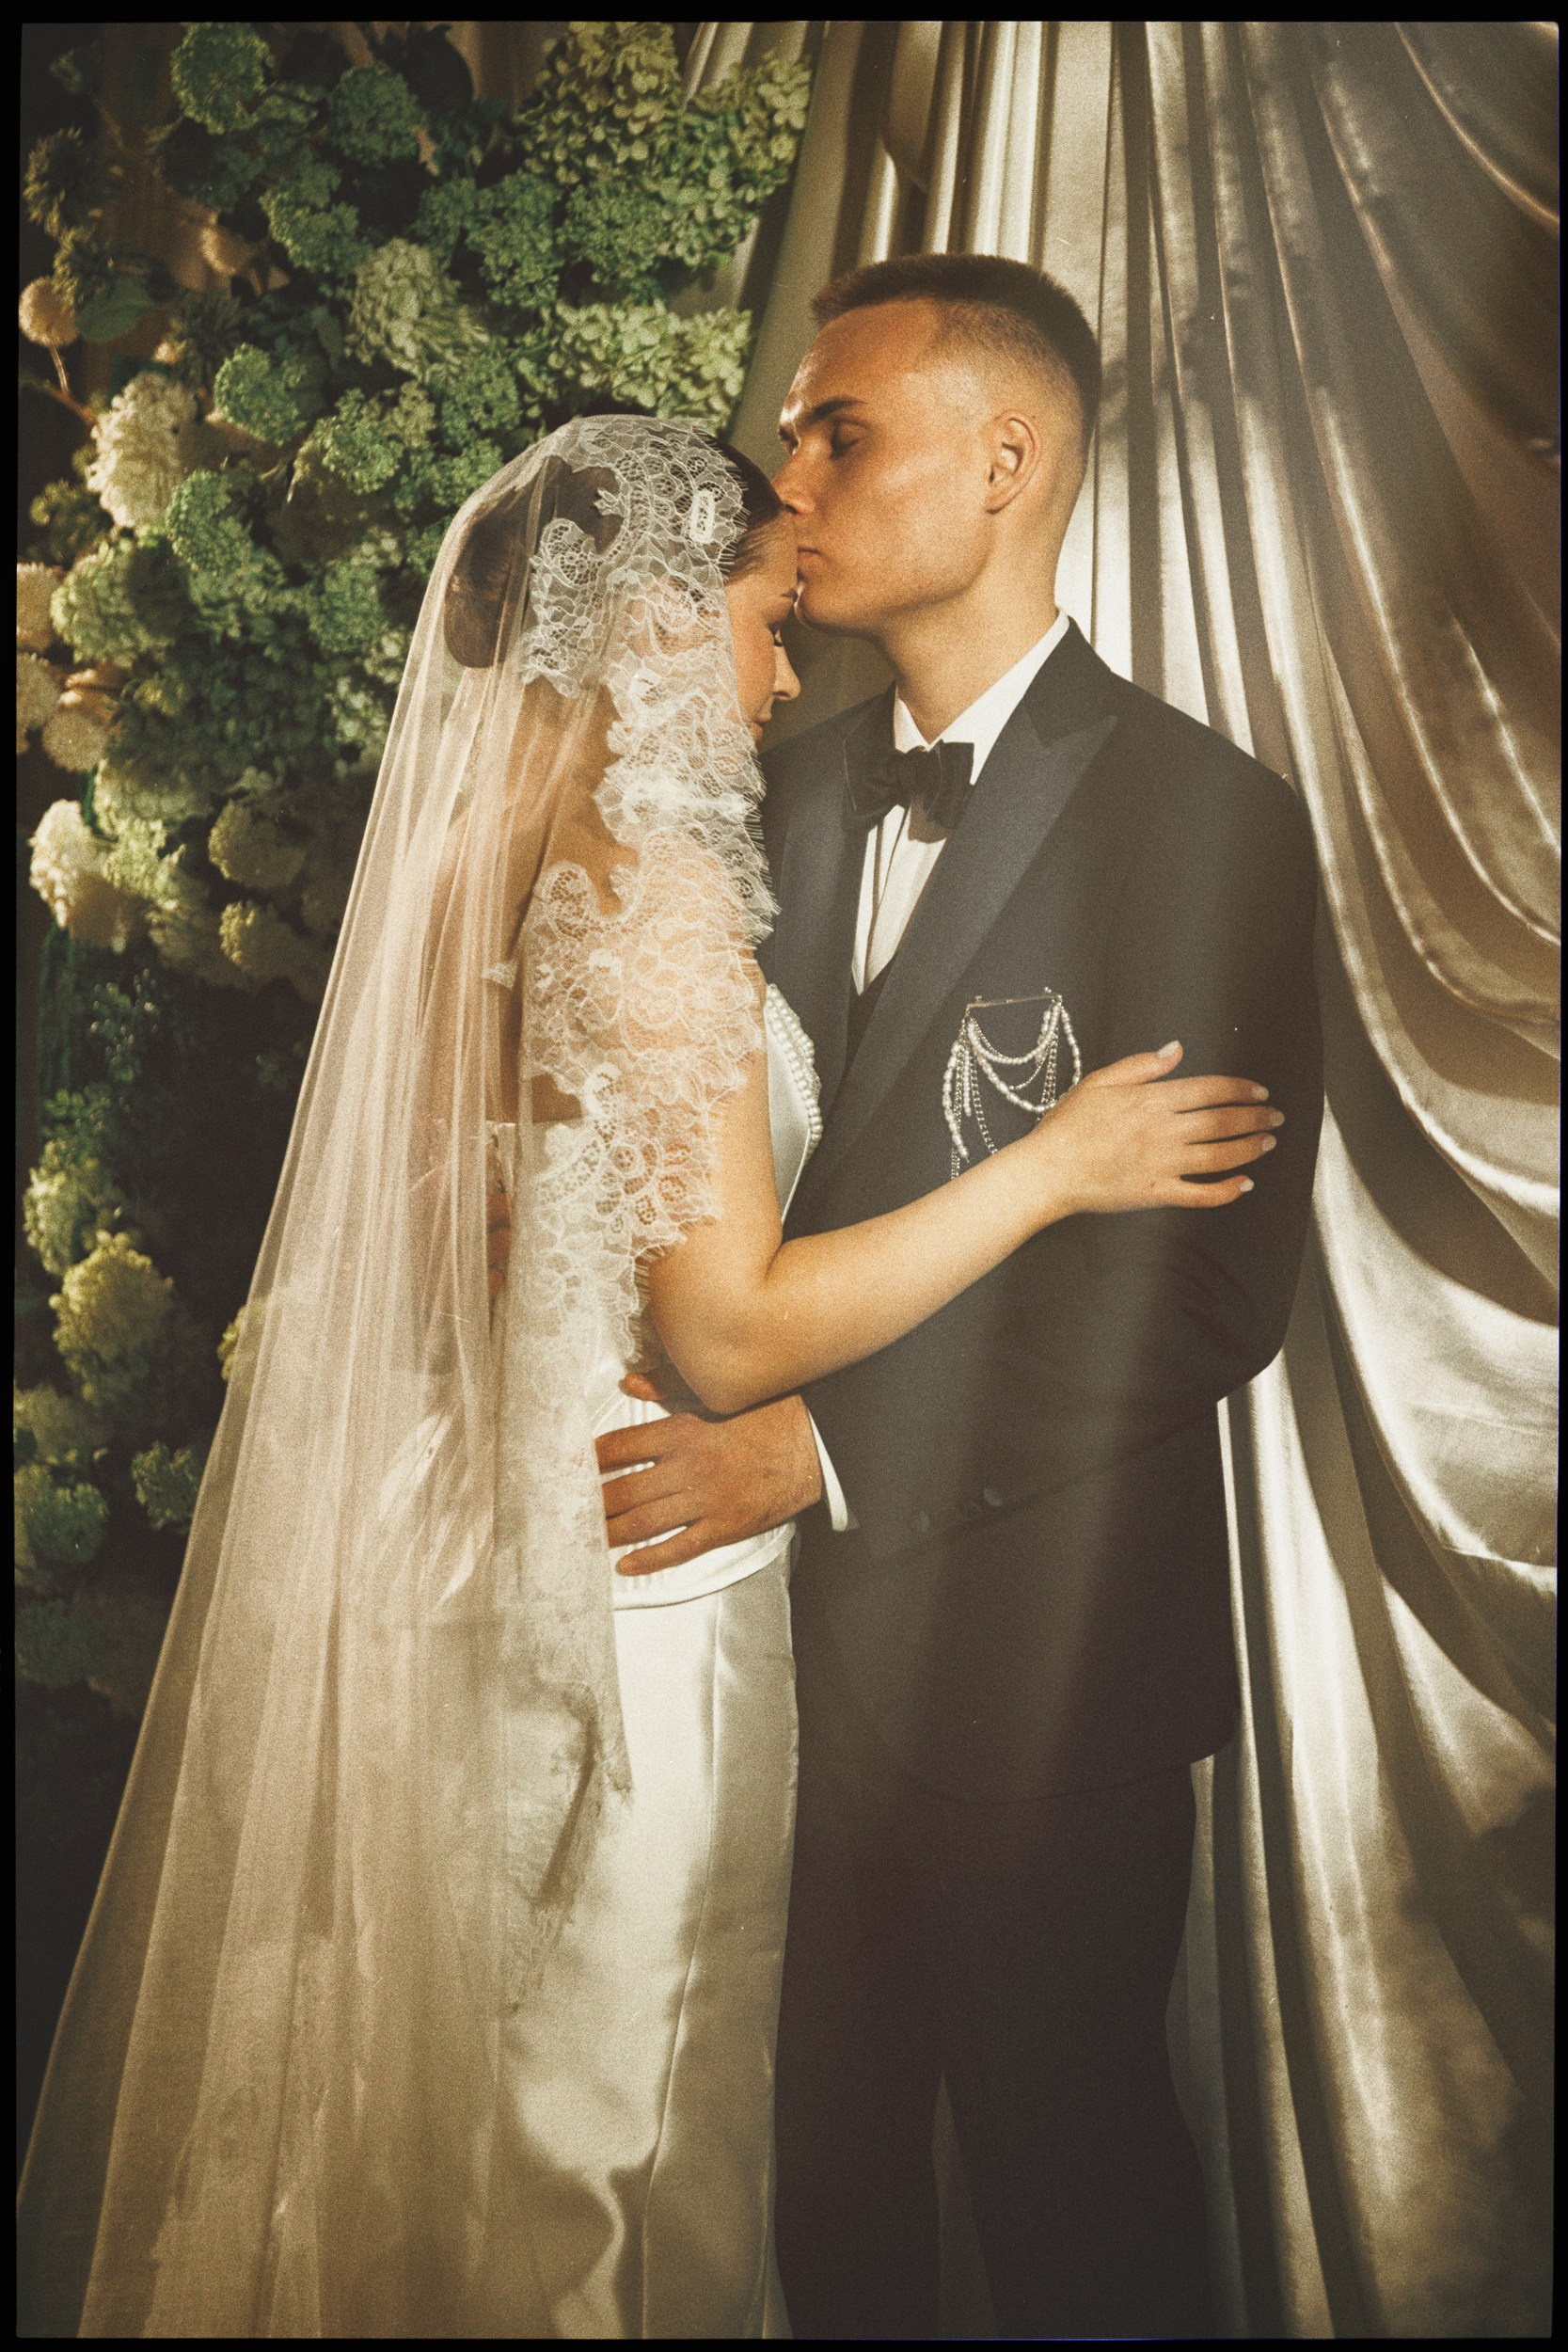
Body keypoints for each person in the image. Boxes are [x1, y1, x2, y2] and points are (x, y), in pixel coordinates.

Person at [17, 413, 1280, 2341]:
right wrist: (1054, 1166)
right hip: (636, 1571)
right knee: (614, 2126)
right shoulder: (658, 881)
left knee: (468, 2102)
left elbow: (471, 1232)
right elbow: (726, 1334)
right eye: (764, 621)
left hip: (461, 1528)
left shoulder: (464, 861)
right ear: (654, 626)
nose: (782, 675)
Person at [595, 258, 1323, 2340]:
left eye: (842, 434)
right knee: (807, 2212)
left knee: (1079, 2209)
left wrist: (816, 1450)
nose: (793, 483)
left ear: (1008, 462)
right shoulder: (747, 795)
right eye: (793, 438)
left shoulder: (1206, 816)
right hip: (741, 1671)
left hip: (1042, 1673)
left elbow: (1201, 1290)